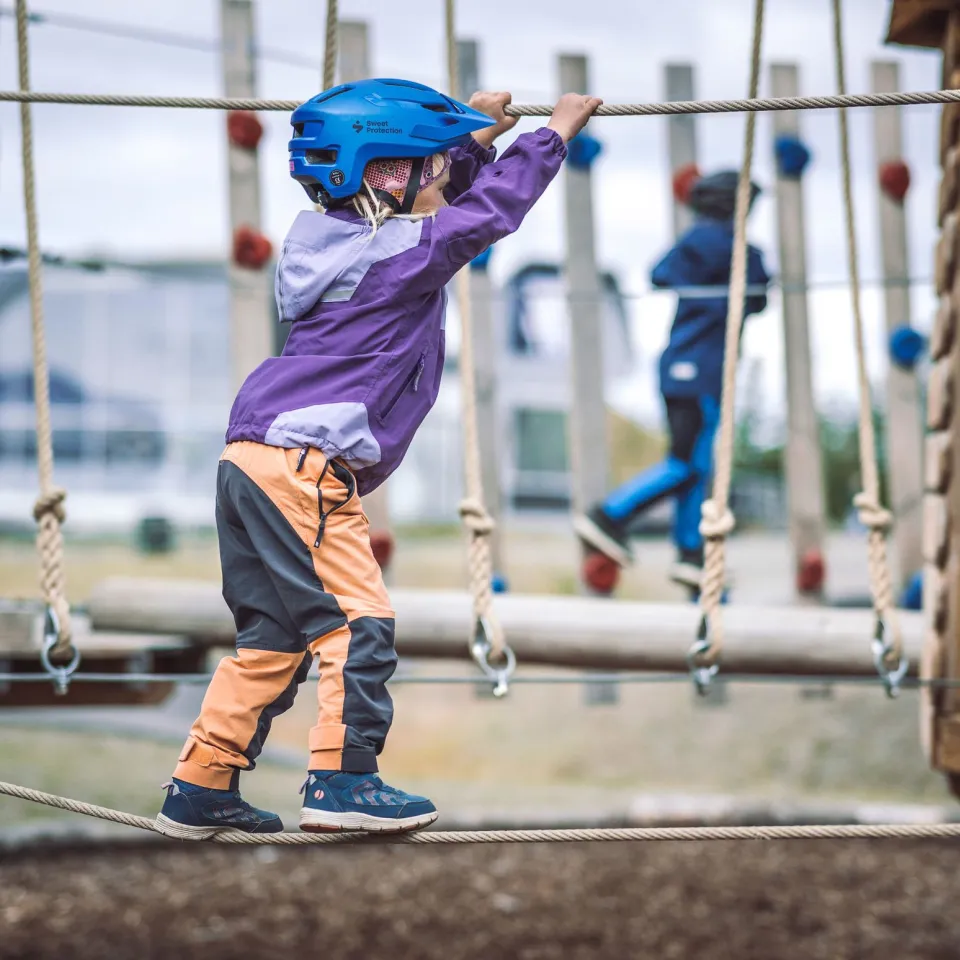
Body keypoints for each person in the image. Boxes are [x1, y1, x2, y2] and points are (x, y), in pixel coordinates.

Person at [155, 78, 603, 839]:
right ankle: (341, 780)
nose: (444, 178)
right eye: (433, 167)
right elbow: (482, 215)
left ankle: (201, 782)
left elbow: (430, 199)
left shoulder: (333, 239)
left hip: (251, 462)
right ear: (390, 177)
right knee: (358, 623)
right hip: (304, 467)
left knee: (272, 641)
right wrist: (551, 133)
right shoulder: (402, 254)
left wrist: (472, 139)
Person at [574, 170, 770, 596]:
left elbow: (659, 274)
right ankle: (611, 514)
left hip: (674, 366)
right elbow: (758, 299)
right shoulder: (742, 252)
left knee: (691, 462)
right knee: (690, 464)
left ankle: (689, 551)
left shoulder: (694, 243)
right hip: (705, 371)